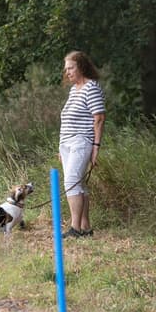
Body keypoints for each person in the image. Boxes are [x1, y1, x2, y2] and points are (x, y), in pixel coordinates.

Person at [59, 50, 106, 238]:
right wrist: (60, 147)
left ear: (81, 67)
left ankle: (75, 228)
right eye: (66, 69)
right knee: (79, 184)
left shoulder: (91, 87)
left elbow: (99, 118)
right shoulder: (74, 89)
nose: (67, 72)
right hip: (67, 143)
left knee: (71, 182)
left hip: (81, 141)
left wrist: (96, 147)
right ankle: (86, 227)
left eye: (71, 67)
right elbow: (67, 120)